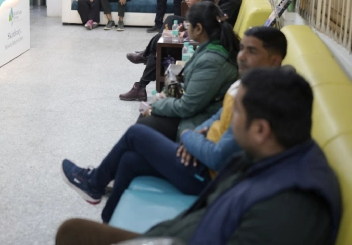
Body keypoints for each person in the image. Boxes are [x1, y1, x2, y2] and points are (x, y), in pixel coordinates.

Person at [57, 67, 342, 245]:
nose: (228, 122)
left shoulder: (289, 209)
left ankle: (93, 183)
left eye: (236, 114)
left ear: (259, 129)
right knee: (74, 231)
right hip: (180, 233)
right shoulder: (270, 154)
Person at [61, 27, 288, 224]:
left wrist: (189, 137)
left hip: (208, 177)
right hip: (199, 155)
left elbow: (219, 157)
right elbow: (218, 116)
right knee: (129, 161)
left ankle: (93, 183)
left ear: (274, 61)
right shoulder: (245, 83)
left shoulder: (260, 100)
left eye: (252, 51)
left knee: (137, 133)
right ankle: (109, 223)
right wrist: (199, 133)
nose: (242, 56)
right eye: (242, 49)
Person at [134, 2, 239, 142]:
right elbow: (196, 86)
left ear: (199, 28)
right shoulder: (209, 48)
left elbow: (188, 106)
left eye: (188, 25)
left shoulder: (211, 61)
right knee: (140, 128)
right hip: (200, 109)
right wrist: (168, 93)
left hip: (201, 120)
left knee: (140, 129)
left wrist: (156, 107)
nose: (186, 29)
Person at [119, 0, 215, 103]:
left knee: (158, 45)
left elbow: (202, 31)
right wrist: (182, 27)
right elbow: (192, 24)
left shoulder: (205, 10)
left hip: (194, 47)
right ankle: (143, 73)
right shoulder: (202, 6)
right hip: (193, 41)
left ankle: (144, 65)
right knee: (170, 20)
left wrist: (182, 34)